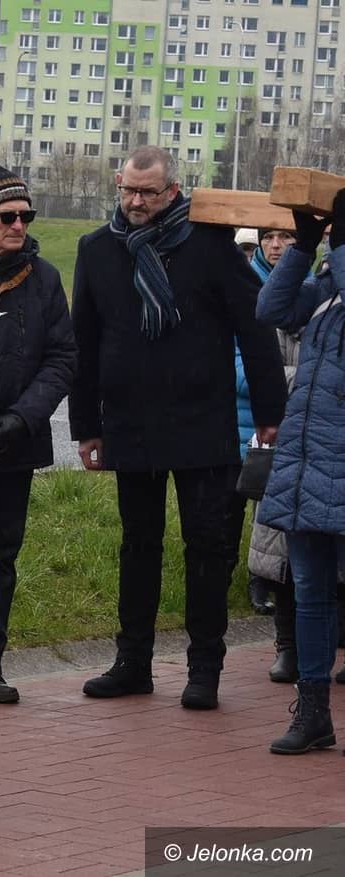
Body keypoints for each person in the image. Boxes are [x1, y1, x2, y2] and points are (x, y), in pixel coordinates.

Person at [68, 145, 287, 710]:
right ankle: (132, 663)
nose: (136, 202)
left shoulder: (210, 246)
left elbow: (255, 330)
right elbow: (83, 344)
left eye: (148, 192)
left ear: (173, 192)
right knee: (138, 544)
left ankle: (204, 669)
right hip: (130, 422)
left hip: (202, 422)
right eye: (128, 190)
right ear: (119, 186)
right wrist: (86, 426)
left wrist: (270, 414)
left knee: (207, 546)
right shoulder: (97, 250)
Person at [0, 165, 76, 705]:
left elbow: (62, 357)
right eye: (8, 216)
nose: (19, 225)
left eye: (27, 216)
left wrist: (22, 419)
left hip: (16, 444)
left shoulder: (44, 279)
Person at [256, 188, 345, 754]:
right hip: (309, 463)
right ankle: (314, 713)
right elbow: (271, 310)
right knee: (311, 593)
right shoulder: (328, 289)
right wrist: (303, 248)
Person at [234, 226, 298, 616]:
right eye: (268, 236)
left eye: (286, 237)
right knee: (239, 514)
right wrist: (299, 381)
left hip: (299, 423)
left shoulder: (312, 289)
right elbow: (235, 367)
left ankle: (276, 579)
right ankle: (255, 577)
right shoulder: (243, 286)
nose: (276, 245)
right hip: (245, 425)